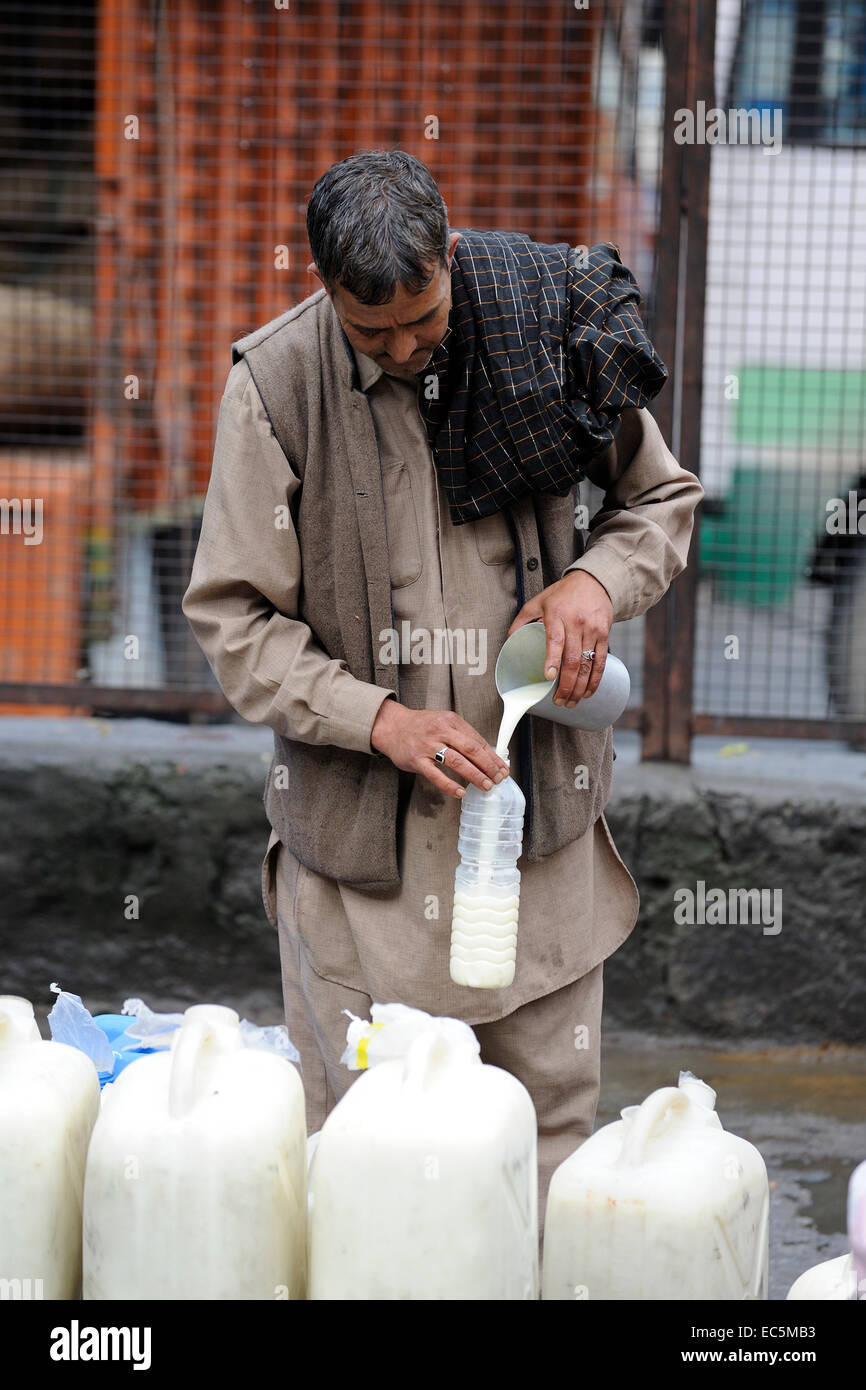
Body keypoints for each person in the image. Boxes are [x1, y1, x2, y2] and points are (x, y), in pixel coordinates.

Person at [182, 149, 703, 1248]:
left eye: (422, 321)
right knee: (366, 1174)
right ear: (324, 288)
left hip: (535, 842)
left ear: (449, 259)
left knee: (542, 1162)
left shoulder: (545, 331)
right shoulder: (274, 390)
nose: (406, 350)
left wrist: (592, 580)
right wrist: (378, 718)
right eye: (371, 336)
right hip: (363, 871)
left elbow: (657, 499)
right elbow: (234, 622)